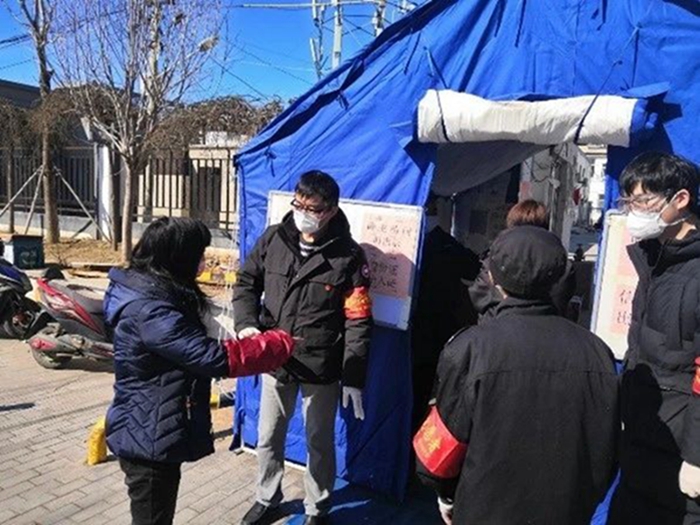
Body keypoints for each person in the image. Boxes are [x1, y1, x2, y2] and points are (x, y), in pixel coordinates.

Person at [414, 226, 619, 525]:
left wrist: (445, 494)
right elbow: (605, 447)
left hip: (484, 509)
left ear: (494, 279)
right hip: (567, 510)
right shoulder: (597, 351)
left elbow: (442, 446)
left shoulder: (471, 347)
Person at [104, 217, 295, 525]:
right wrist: (277, 344)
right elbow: (212, 358)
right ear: (177, 257)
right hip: (147, 435)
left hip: (153, 425)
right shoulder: (151, 310)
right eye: (199, 254)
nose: (204, 261)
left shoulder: (152, 290)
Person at [234, 171, 373, 525]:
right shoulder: (273, 239)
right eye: (298, 204)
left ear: (331, 210)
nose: (303, 214)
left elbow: (358, 319)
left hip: (320, 363)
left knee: (319, 441)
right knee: (268, 435)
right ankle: (267, 498)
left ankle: (317, 507)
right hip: (275, 356)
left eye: (312, 208)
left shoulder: (348, 256)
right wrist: (246, 324)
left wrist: (353, 375)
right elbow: (246, 282)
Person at [608, 152, 700, 524]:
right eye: (628, 202)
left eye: (643, 201)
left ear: (681, 199)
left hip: (681, 450)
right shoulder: (652, 257)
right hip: (642, 434)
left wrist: (696, 456)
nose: (634, 212)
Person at [411, 194, 480, 433]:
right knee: (430, 391)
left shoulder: (414, 240)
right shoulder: (446, 244)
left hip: (415, 329)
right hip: (438, 331)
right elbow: (474, 268)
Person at [468, 199, 576, 321]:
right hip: (548, 327)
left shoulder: (496, 258)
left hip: (497, 325)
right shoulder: (562, 265)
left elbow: (479, 296)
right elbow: (561, 300)